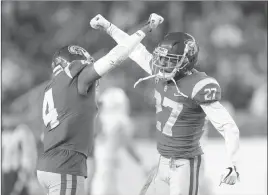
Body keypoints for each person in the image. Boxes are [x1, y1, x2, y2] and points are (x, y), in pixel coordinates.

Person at [90, 14, 240, 195]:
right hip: (162, 160)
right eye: (161, 58)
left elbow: (227, 125)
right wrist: (108, 26)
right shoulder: (159, 71)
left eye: (169, 60)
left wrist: (234, 163)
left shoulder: (199, 85)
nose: (161, 64)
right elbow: (133, 49)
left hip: (185, 164)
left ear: (186, 61)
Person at [36, 13, 164, 195]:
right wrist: (146, 28)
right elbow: (115, 57)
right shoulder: (74, 76)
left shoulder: (52, 87)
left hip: (48, 164)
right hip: (65, 166)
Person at [92, 87, 148, 195]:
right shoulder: (121, 122)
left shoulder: (99, 119)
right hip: (109, 165)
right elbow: (128, 146)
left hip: (100, 164)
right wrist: (141, 162)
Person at [2, 124, 44, 195]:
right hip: (9, 173)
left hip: (17, 172)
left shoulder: (22, 133)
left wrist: (18, 187)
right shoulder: (6, 135)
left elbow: (27, 159)